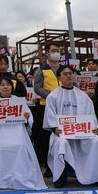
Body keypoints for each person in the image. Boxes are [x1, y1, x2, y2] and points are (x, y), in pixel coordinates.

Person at [43, 65, 98, 188]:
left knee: (95, 142)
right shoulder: (52, 96)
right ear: (59, 77)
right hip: (62, 133)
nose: (69, 75)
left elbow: (90, 114)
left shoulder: (83, 95)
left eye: (71, 73)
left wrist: (94, 127)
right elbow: (50, 116)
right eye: (65, 74)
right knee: (61, 143)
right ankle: (60, 177)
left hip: (82, 133)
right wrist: (55, 128)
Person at [0, 77, 46, 190]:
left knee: (20, 146)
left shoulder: (19, 101)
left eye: (8, 84)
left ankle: (19, 176)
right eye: (2, 85)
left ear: (12, 87)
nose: (5, 87)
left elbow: (29, 118)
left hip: (17, 130)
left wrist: (26, 119)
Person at [32, 43, 62, 176]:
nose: (56, 53)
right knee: (47, 136)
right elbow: (37, 87)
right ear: (48, 54)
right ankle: (48, 165)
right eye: (53, 51)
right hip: (46, 106)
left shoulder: (64, 69)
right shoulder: (42, 70)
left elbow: (74, 83)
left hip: (63, 107)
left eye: (58, 51)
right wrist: (50, 96)